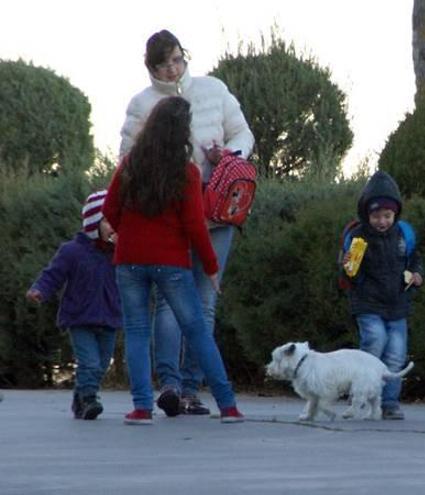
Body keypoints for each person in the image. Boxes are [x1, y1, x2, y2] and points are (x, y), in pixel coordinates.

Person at [119, 29, 254, 416]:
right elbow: (128, 162)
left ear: (184, 56)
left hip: (217, 202)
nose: (173, 68)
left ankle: (191, 388)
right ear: (152, 67)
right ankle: (171, 385)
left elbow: (243, 132)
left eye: (177, 59)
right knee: (170, 301)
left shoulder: (213, 88)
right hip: (169, 209)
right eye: (164, 64)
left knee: (206, 300)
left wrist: (228, 155)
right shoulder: (141, 104)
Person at [104, 96, 244, 425]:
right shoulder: (187, 173)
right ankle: (228, 406)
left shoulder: (130, 166)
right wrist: (211, 267)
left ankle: (141, 408)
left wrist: (129, 233)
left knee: (137, 332)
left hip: (130, 261)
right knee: (196, 330)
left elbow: (110, 210)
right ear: (183, 131)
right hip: (172, 263)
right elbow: (195, 226)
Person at [26, 190, 121, 420]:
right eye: (107, 221)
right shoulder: (72, 251)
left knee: (100, 365)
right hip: (80, 318)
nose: (113, 226)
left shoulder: (119, 253)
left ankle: (81, 397)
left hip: (110, 316)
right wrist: (40, 290)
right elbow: (53, 274)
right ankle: (89, 398)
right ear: (92, 223)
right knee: (89, 362)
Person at [340, 171, 424, 420]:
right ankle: (362, 398)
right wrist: (347, 266)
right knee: (374, 342)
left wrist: (417, 275)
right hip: (368, 303)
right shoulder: (359, 237)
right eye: (376, 215)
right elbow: (351, 276)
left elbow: (415, 260)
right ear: (367, 214)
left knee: (397, 353)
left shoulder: (403, 235)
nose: (382, 221)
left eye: (387, 215)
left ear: (395, 214)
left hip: (397, 304)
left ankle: (389, 402)